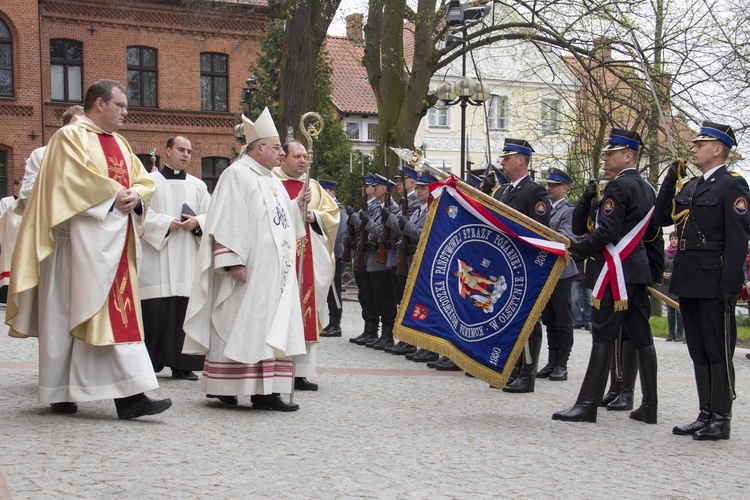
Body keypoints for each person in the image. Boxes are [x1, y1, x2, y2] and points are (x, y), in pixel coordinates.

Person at [6, 79, 171, 419]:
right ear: (99, 104)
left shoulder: (121, 144)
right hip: (74, 247)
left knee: (112, 316)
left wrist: (136, 196)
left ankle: (129, 396)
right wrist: (115, 195)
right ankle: (64, 391)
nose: (126, 112)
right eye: (121, 105)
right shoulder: (69, 137)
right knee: (68, 317)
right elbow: (70, 181)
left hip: (112, 244)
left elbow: (144, 179)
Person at [182, 108, 308, 412]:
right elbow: (227, 219)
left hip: (274, 272)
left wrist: (296, 206)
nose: (280, 153)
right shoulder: (236, 174)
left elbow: (276, 220)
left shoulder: (272, 180)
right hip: (247, 270)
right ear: (260, 147)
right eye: (277, 146)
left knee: (268, 326)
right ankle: (228, 386)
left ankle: (266, 391)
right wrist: (233, 260)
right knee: (239, 323)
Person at [553, 128, 658, 424]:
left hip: (614, 272)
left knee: (602, 334)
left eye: (611, 153)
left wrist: (579, 249)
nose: (605, 158)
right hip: (635, 270)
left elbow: (608, 232)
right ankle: (650, 405)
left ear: (628, 156)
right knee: (641, 335)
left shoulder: (618, 187)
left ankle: (587, 404)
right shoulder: (648, 188)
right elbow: (649, 233)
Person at [655, 121, 750, 440]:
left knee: (717, 349)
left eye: (700, 144)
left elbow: (738, 240)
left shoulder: (732, 185)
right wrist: (671, 180)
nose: (693, 148)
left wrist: (730, 285)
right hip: (690, 275)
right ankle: (705, 412)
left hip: (714, 277)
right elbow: (661, 218)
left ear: (718, 149)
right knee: (697, 348)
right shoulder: (691, 187)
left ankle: (721, 417)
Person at [139, 135, 210, 381]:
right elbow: (140, 216)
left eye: (189, 151)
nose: (186, 155)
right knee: (156, 311)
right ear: (167, 151)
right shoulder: (148, 182)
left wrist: (197, 222)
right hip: (156, 258)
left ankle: (183, 364)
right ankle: (151, 362)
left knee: (184, 311)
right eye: (181, 149)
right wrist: (165, 223)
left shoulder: (198, 186)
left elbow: (211, 216)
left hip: (187, 258)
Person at [274, 140, 340, 391]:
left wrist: (315, 217)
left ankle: (300, 372)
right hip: (281, 256)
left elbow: (332, 215)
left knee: (306, 310)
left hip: (308, 257)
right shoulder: (271, 181)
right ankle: (278, 368)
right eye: (297, 156)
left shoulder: (311, 185)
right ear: (283, 158)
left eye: (305, 156)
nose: (303, 161)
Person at [492, 138, 551, 393]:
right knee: (508, 317)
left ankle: (528, 373)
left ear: (521, 160)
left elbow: (539, 229)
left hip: (524, 264)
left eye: (507, 158)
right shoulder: (504, 192)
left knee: (528, 318)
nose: (503, 162)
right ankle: (512, 369)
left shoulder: (534, 191)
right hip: (504, 264)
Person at [537, 167, 578, 382]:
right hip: (545, 270)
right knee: (549, 318)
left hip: (561, 270)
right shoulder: (544, 209)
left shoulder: (569, 211)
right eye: (548, 184)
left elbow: (566, 237)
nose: (549, 188)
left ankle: (562, 362)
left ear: (565, 187)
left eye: (554, 185)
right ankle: (552, 361)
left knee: (563, 318)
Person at [320, 179, 347, 338]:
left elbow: (339, 233)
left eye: (325, 192)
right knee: (329, 290)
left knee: (335, 290)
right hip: (326, 254)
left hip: (333, 254)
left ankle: (336, 323)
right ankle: (331, 322)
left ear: (331, 192)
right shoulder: (327, 209)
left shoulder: (338, 209)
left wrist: (330, 251)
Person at [662, 230, 684, 342]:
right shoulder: (666, 254)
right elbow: (662, 266)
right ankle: (671, 333)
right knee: (670, 312)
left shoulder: (681, 253)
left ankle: (680, 333)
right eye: (672, 239)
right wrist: (663, 274)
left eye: (675, 238)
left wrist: (673, 275)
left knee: (679, 311)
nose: (674, 241)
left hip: (677, 285)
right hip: (667, 287)